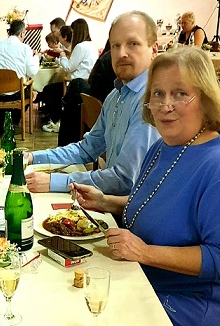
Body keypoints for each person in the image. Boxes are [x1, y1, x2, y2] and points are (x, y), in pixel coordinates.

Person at [71, 47, 220, 326]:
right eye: (157, 93)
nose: (165, 105)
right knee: (74, 296)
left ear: (205, 98)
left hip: (196, 299)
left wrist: (145, 253)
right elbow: (158, 203)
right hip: (148, 273)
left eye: (180, 93)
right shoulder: (164, 146)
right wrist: (107, 201)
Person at [26, 10, 161, 195]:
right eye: (115, 45)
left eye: (133, 43)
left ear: (154, 50)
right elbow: (86, 149)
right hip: (109, 200)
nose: (121, 53)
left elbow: (124, 180)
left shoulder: (152, 101)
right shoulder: (116, 95)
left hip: (131, 210)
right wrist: (33, 157)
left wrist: (54, 182)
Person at [42, 18, 98, 134]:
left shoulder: (80, 46)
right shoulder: (91, 44)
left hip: (76, 84)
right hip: (87, 82)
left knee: (48, 90)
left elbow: (68, 67)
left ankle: (57, 121)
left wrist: (62, 54)